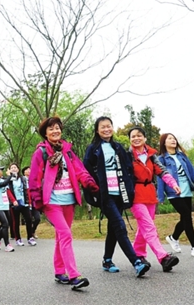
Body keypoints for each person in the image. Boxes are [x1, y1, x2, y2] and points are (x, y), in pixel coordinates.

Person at [29, 116, 98, 290]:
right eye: (51, 128)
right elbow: (34, 178)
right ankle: (74, 275)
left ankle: (60, 272)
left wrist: (91, 184)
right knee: (66, 234)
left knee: (61, 236)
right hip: (51, 202)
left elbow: (80, 170)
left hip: (69, 199)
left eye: (57, 128)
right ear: (45, 133)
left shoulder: (67, 151)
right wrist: (37, 200)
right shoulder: (41, 152)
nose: (55, 131)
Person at [83, 116, 150, 277]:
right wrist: (94, 192)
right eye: (102, 127)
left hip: (120, 193)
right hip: (105, 195)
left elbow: (129, 169)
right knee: (120, 226)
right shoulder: (93, 149)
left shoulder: (118, 147)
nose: (106, 129)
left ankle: (107, 260)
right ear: (97, 130)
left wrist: (130, 188)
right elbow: (86, 171)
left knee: (113, 228)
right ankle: (136, 262)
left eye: (109, 126)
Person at [128, 126, 180, 272]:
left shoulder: (151, 155)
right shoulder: (127, 155)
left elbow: (162, 171)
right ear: (130, 140)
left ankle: (138, 254)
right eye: (133, 136)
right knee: (149, 227)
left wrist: (173, 184)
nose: (136, 138)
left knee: (144, 227)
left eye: (139, 135)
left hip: (150, 194)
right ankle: (163, 257)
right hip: (135, 195)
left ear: (145, 138)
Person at [157, 133, 194, 257]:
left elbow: (192, 172)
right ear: (164, 143)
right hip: (173, 192)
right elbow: (160, 178)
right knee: (187, 216)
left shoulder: (182, 156)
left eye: (174, 138)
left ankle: (173, 237)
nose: (173, 140)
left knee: (185, 217)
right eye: (169, 138)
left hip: (186, 191)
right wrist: (160, 196)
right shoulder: (161, 159)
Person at [7, 163, 36, 247]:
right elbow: (8, 191)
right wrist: (13, 200)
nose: (13, 169)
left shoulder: (23, 179)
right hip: (14, 204)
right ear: (9, 170)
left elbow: (27, 191)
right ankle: (18, 239)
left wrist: (29, 202)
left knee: (29, 219)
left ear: (18, 169)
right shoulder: (8, 180)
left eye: (15, 167)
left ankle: (30, 237)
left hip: (24, 202)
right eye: (11, 168)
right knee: (16, 221)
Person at [0, 165, 15, 252]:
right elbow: (3, 184)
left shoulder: (2, 179)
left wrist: (11, 175)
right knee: (5, 224)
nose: (2, 171)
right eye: (1, 170)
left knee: (7, 224)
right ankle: (7, 245)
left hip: (5, 204)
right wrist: (9, 176)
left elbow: (8, 184)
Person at [21, 166, 40, 239]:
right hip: (26, 202)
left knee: (37, 218)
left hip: (34, 202)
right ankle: (29, 235)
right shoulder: (22, 180)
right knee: (29, 219)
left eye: (30, 170)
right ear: (24, 172)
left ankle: (33, 231)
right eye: (27, 170)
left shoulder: (34, 179)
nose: (29, 171)